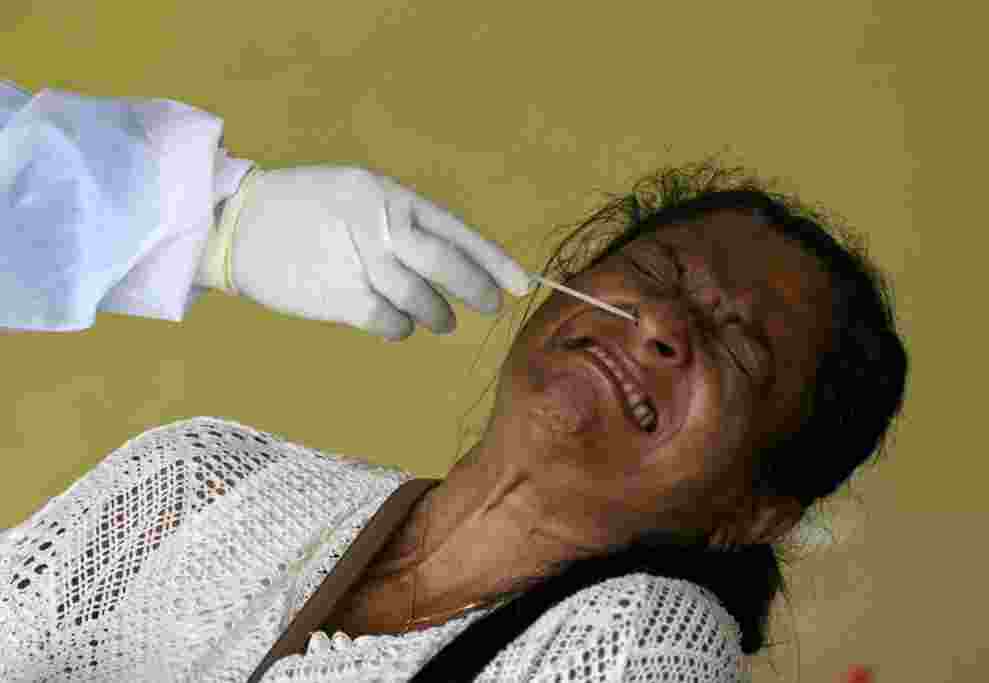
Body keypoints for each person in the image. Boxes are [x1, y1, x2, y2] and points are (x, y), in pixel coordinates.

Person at [0, 81, 908, 682]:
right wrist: (212, 220)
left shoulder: (646, 645)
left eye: (738, 349)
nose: (666, 326)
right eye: (660, 276)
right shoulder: (200, 479)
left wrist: (205, 213)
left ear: (757, 512)